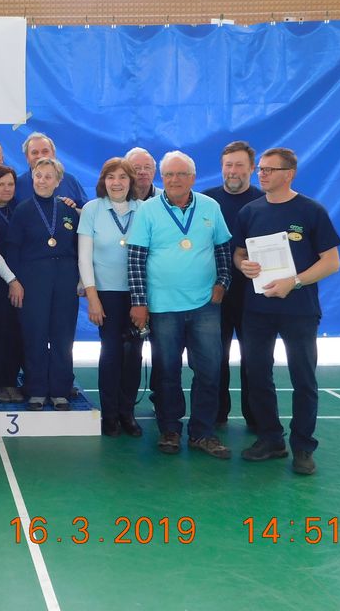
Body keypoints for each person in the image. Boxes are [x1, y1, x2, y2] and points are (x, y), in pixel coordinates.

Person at [233, 147, 340, 475]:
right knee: (257, 375)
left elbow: (331, 262)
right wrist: (243, 265)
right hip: (257, 309)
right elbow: (239, 253)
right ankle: (271, 439)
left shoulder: (311, 211)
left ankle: (303, 447)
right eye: (261, 169)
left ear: (289, 174)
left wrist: (293, 282)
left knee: (303, 378)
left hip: (299, 310)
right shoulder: (250, 212)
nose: (262, 174)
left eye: (269, 169)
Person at [127, 151, 233, 459]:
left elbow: (223, 249)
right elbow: (135, 259)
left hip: (205, 305)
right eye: (169, 174)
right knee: (166, 371)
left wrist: (222, 283)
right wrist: (139, 302)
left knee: (210, 370)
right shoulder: (147, 210)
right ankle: (170, 429)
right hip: (163, 307)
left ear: (193, 178)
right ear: (162, 178)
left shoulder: (210, 206)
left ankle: (203, 433)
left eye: (181, 174)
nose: (174, 180)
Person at [5, 158, 81, 411]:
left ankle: (60, 390)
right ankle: (36, 389)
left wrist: (81, 279)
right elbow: (12, 250)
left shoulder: (68, 210)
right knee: (34, 334)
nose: (42, 181)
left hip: (65, 278)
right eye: (38, 176)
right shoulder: (23, 210)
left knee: (63, 335)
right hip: (33, 279)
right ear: (32, 178)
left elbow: (79, 247)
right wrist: (15, 282)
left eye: (49, 177)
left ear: (58, 181)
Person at [78, 158, 143, 436]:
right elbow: (84, 257)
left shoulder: (145, 209)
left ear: (131, 182)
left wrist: (145, 299)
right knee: (111, 353)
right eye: (111, 177)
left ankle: (128, 413)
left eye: (123, 177)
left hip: (139, 293)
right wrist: (93, 298)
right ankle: (110, 414)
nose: (117, 183)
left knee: (134, 354)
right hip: (106, 294)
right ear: (103, 181)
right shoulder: (92, 209)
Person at [202, 141, 263, 428]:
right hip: (214, 294)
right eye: (228, 165)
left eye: (239, 165)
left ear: (252, 168)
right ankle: (216, 415)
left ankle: (257, 417)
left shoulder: (265, 201)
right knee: (215, 358)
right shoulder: (205, 201)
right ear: (221, 168)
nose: (233, 171)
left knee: (255, 359)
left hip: (255, 295)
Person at [0, 165, 25, 403]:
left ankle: (13, 380)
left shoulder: (20, 209)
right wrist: (11, 280)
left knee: (18, 331)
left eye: (10, 184)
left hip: (22, 280)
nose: (7, 189)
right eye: (1, 184)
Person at [14, 132, 87, 207]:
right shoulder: (16, 184)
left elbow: (87, 211)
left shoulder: (70, 181)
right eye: (34, 152)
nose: (40, 156)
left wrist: (71, 209)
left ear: (54, 154)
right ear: (27, 157)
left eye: (45, 151)